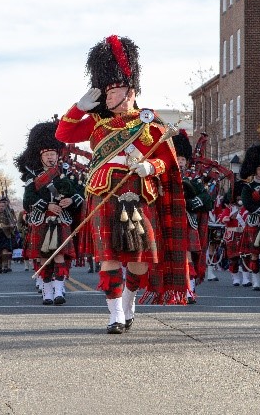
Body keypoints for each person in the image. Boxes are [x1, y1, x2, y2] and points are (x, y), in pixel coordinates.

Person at [55, 34, 190, 333]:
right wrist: (78, 108)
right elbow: (63, 134)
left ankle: (129, 301)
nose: (109, 96)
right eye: (107, 90)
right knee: (110, 256)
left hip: (140, 193)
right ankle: (114, 315)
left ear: (131, 92)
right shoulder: (95, 123)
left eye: (115, 90)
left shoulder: (150, 124)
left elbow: (167, 162)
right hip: (104, 191)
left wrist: (148, 166)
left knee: (139, 261)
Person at [15, 121, 84, 305]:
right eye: (47, 155)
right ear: (41, 157)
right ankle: (47, 292)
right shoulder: (34, 176)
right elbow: (27, 200)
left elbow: (80, 193)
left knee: (59, 255)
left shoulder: (67, 173)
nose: (50, 158)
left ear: (57, 154)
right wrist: (47, 206)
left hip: (62, 218)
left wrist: (70, 200)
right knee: (45, 256)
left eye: (53, 154)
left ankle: (59, 290)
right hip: (42, 219)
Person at [172, 130, 213, 303]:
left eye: (183, 159)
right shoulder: (165, 177)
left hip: (188, 221)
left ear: (187, 161)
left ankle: (190, 290)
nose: (180, 162)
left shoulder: (194, 179)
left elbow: (207, 200)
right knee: (173, 257)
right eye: (178, 159)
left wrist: (195, 201)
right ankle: (174, 289)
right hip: (170, 221)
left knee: (188, 255)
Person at [239, 144, 260, 291]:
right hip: (255, 221)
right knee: (254, 253)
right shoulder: (248, 187)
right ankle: (255, 281)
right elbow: (247, 203)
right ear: (255, 170)